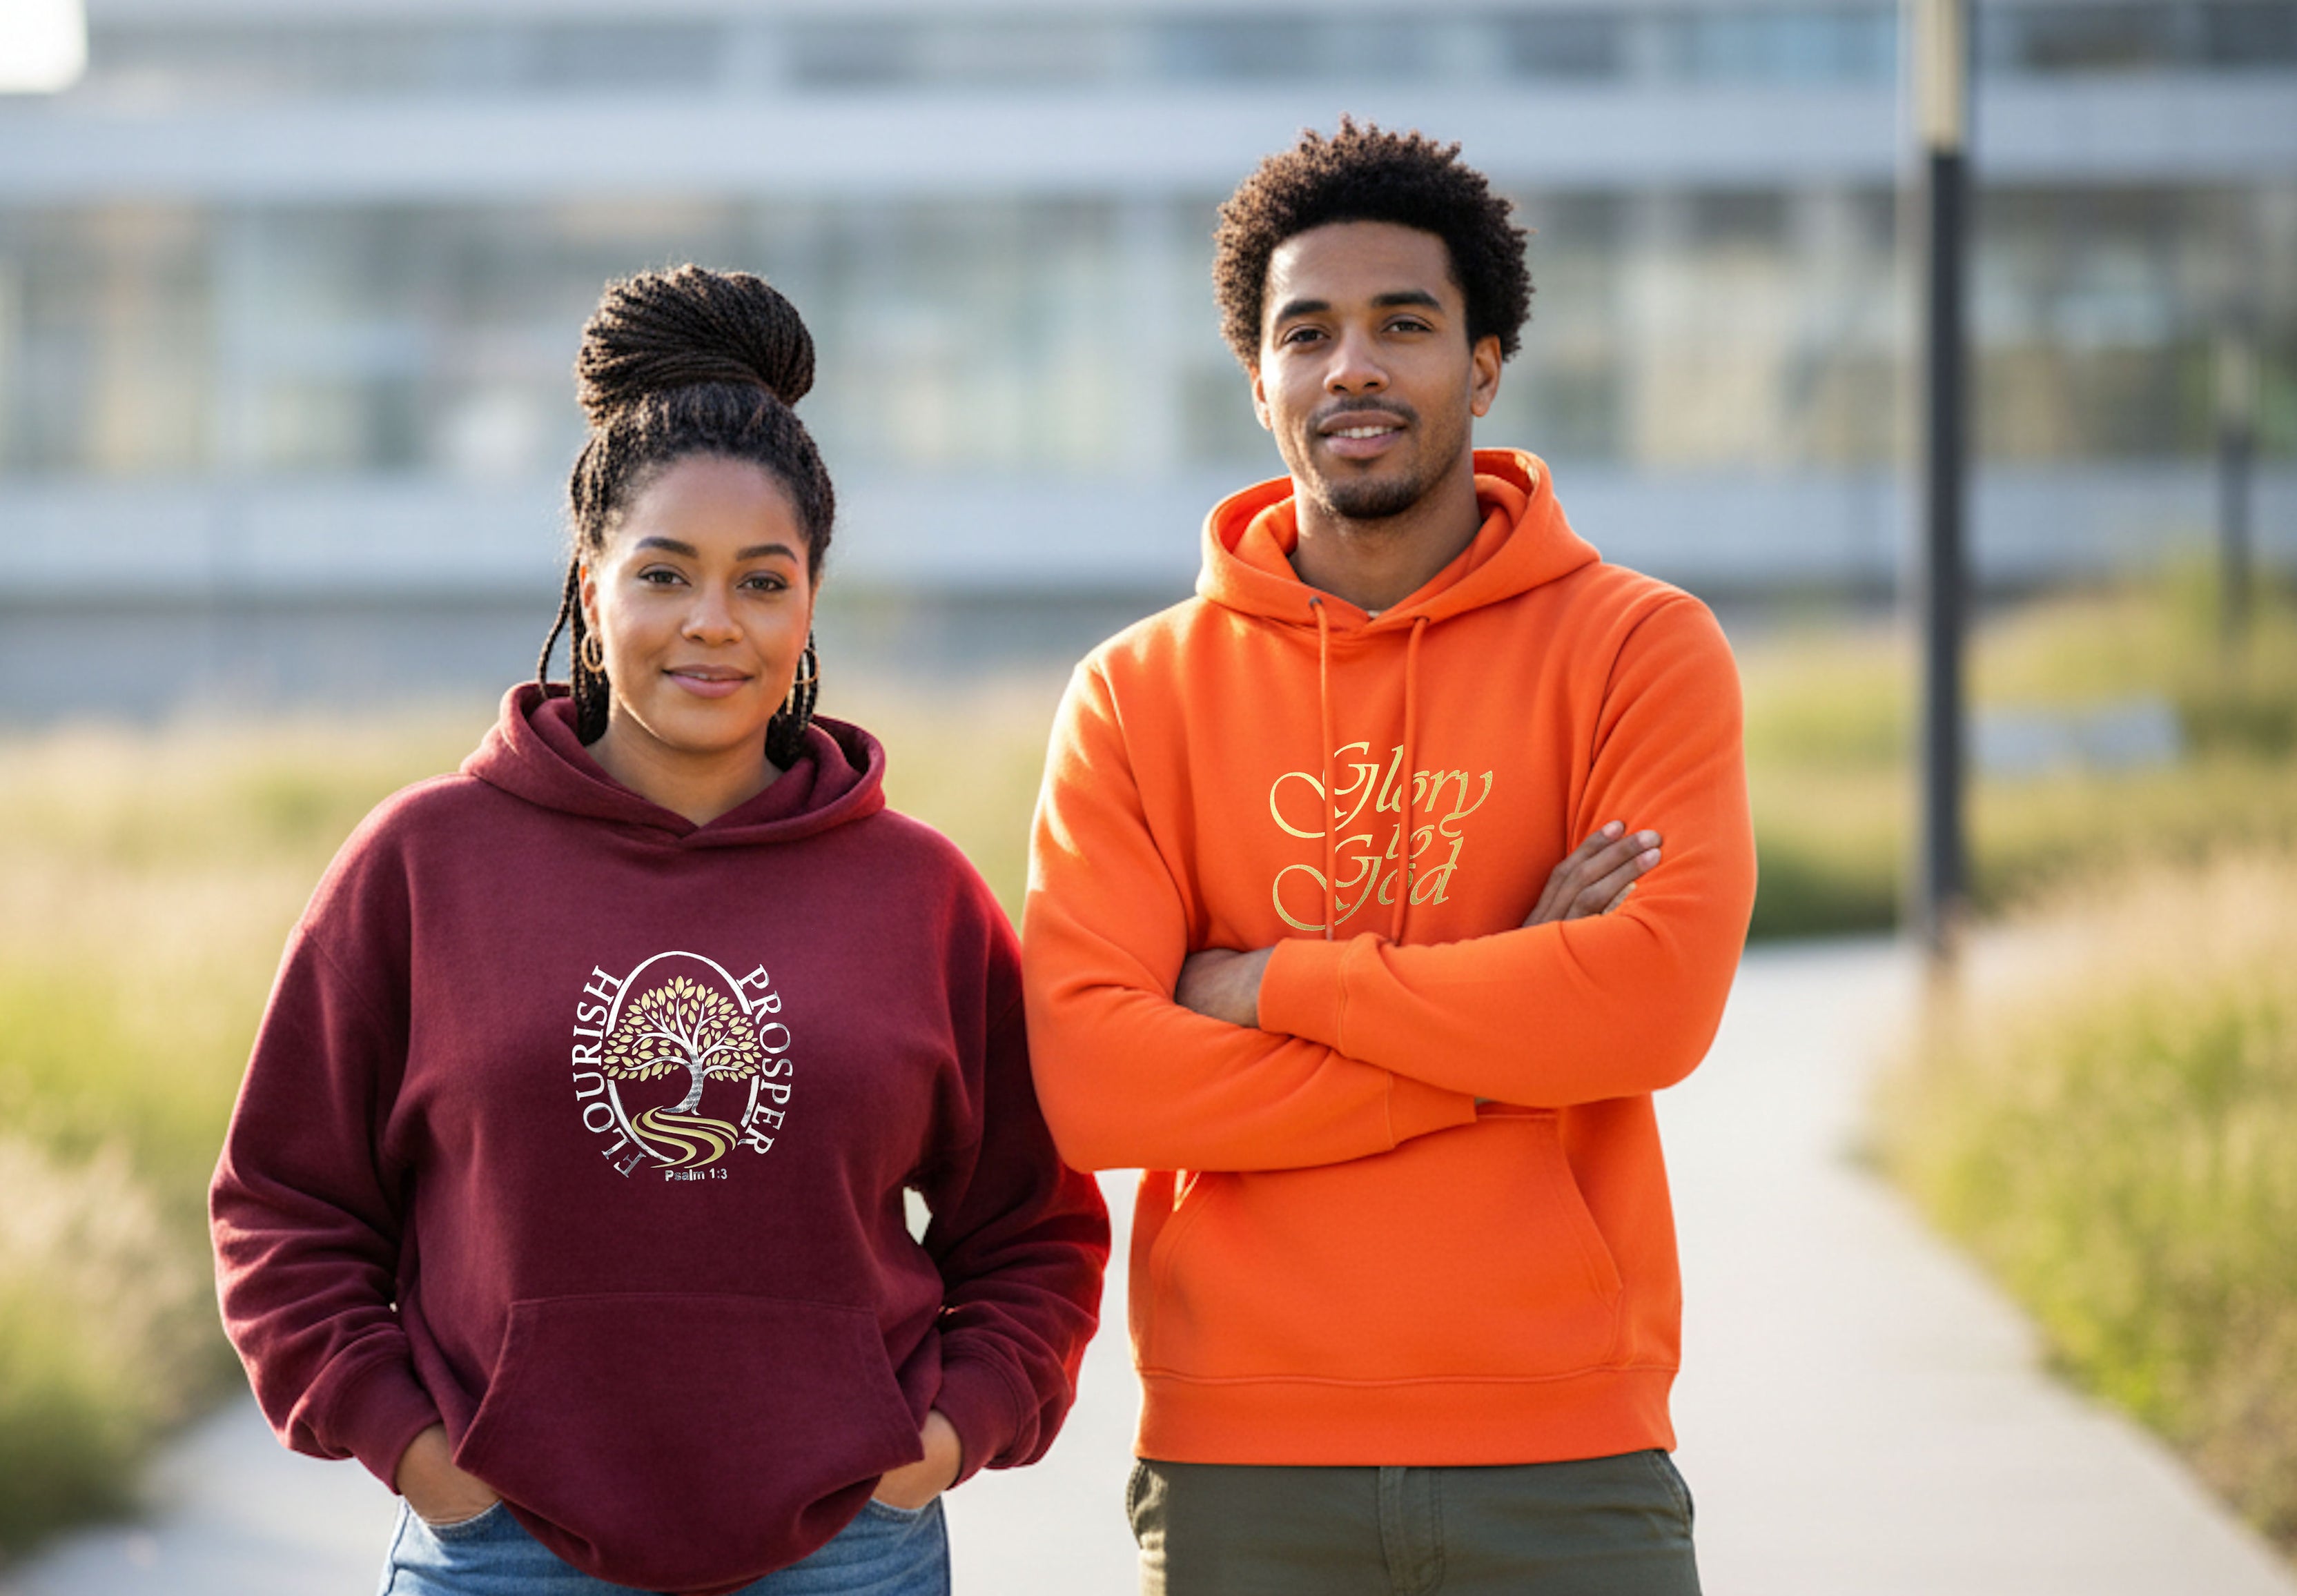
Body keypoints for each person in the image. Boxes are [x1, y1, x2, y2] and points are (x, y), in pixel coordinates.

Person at [211, 265, 1108, 1596]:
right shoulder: (421, 863)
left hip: (848, 1552)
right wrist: (411, 1449)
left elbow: (1037, 1224)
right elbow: (284, 1204)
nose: (712, 622)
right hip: (501, 1549)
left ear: (810, 601)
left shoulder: (918, 893)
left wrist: (942, 1435)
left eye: (762, 580)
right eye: (664, 573)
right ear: (590, 582)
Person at [1022, 119, 1754, 1594]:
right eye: (1309, 332)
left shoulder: (1638, 649)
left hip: (1569, 1454)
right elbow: (1094, 1081)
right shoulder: (1136, 692)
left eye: (1403, 325)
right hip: (1241, 1463)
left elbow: (1650, 1011)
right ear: (1258, 376)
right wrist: (1513, 1012)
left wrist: (1261, 984)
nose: (1353, 365)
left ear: (1485, 364)